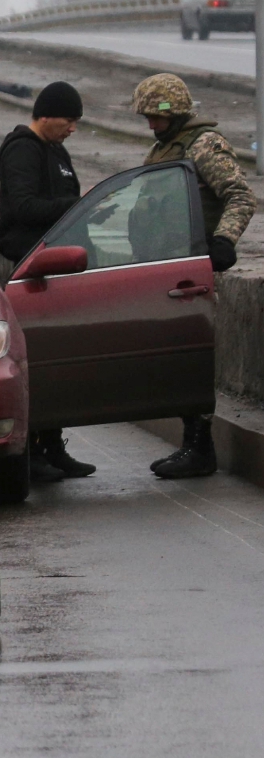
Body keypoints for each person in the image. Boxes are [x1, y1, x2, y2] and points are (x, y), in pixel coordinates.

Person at [130, 73, 255, 479]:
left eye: (155, 116)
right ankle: (191, 443)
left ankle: (200, 447)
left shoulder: (204, 145)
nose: (150, 124)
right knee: (177, 359)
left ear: (175, 112)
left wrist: (224, 241)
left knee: (192, 358)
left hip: (191, 272)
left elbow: (239, 195)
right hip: (165, 268)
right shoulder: (164, 149)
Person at [0, 81, 96, 481]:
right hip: (31, 271)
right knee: (32, 362)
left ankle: (54, 446)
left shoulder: (57, 151)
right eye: (69, 120)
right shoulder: (22, 150)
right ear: (47, 115)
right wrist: (76, 207)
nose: (73, 128)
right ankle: (32, 452)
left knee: (56, 361)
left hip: (58, 266)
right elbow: (23, 207)